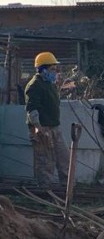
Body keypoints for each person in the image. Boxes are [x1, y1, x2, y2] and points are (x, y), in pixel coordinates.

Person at [25, 52, 70, 186]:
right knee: (46, 162)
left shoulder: (50, 83)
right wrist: (38, 127)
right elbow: (32, 108)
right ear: (42, 69)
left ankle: (67, 188)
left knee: (64, 158)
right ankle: (46, 191)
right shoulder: (34, 85)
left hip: (54, 127)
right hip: (42, 128)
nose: (55, 72)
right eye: (52, 69)